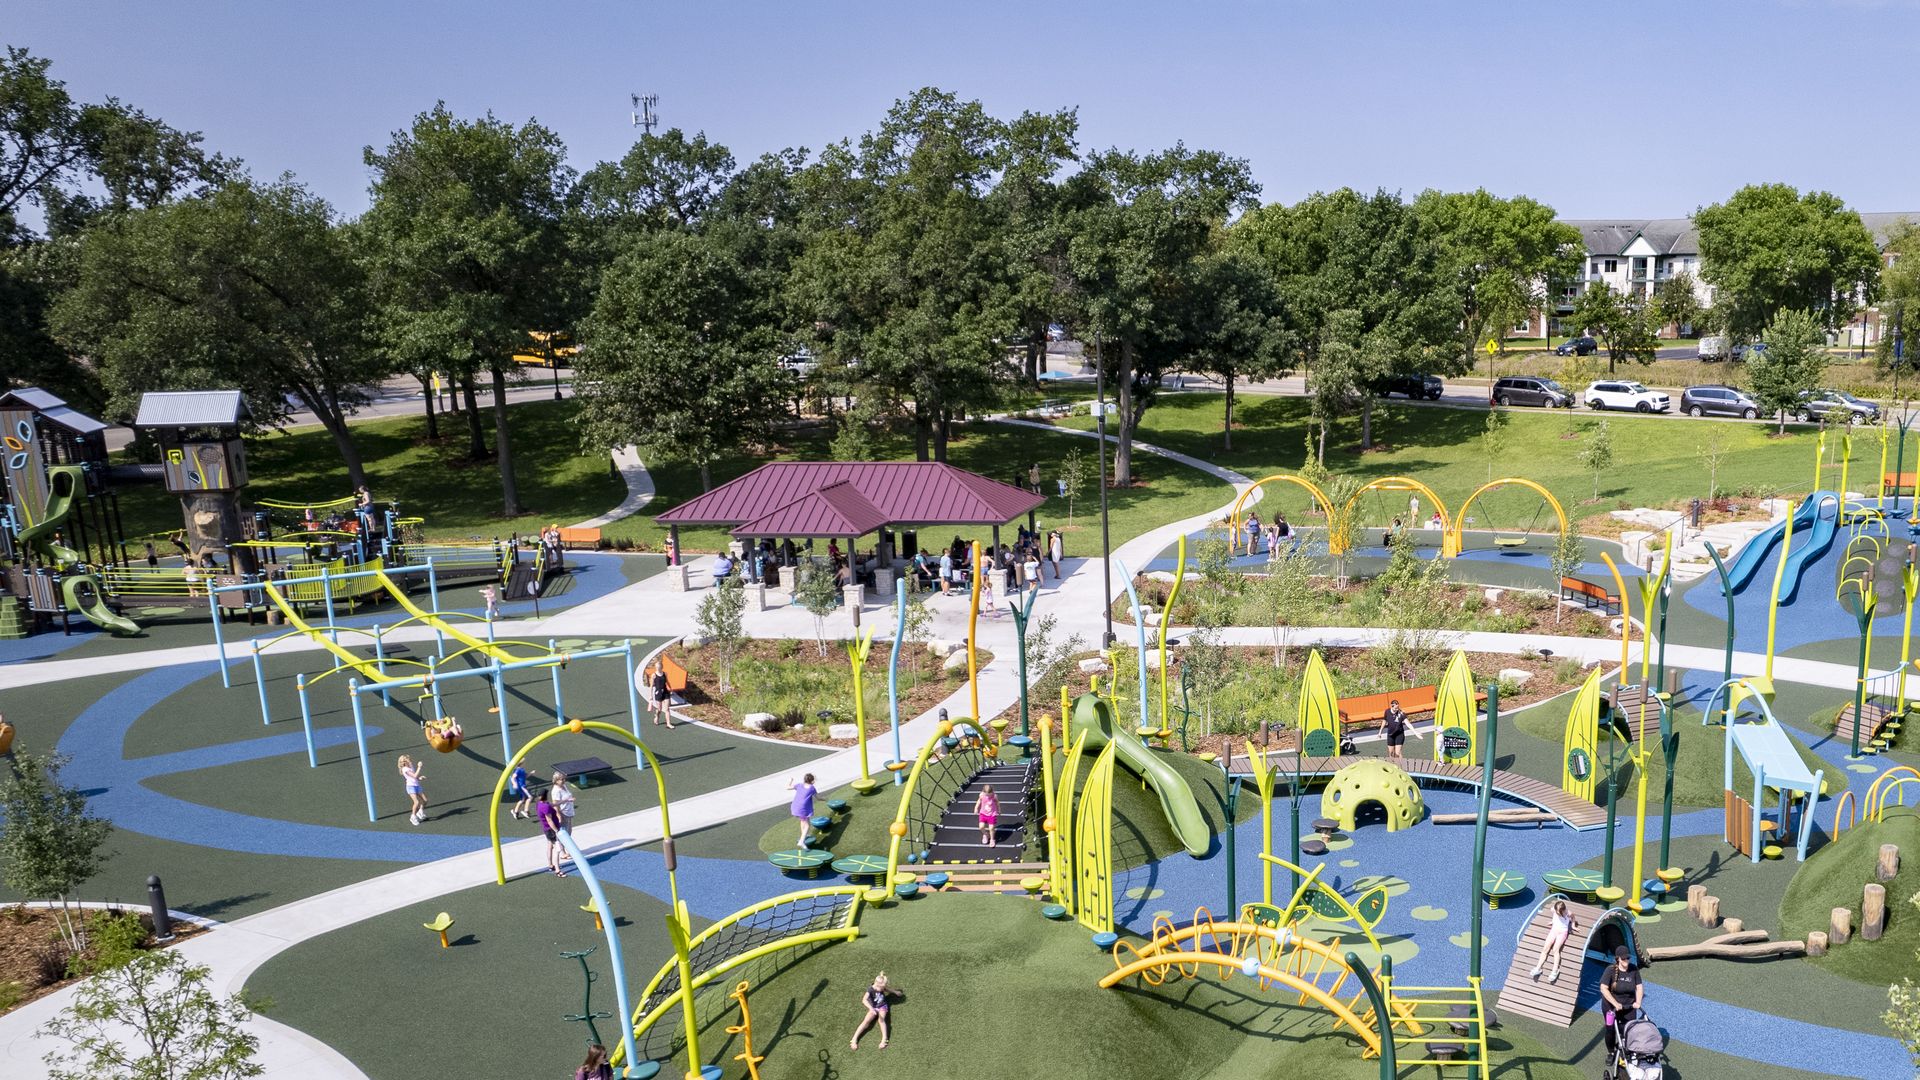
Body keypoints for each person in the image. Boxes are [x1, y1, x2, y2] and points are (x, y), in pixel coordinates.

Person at [1599, 946, 1644, 1053]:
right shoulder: (1610, 970)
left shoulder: (1634, 970)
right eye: (1623, 959)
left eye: (1628, 958)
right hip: (1611, 1008)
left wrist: (1638, 1002)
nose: (1626, 961)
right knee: (1610, 1030)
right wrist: (1615, 1004)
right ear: (1618, 959)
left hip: (1629, 1006)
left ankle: (1626, 1051)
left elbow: (1639, 987)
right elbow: (1603, 989)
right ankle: (1611, 1052)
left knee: (1629, 1030)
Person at [1530, 900, 1578, 984]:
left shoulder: (1568, 913)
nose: (1557, 913)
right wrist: (1553, 921)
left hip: (1562, 932)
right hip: (1554, 930)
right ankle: (1538, 968)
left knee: (1555, 950)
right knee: (1545, 949)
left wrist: (1573, 925)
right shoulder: (1554, 910)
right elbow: (1553, 912)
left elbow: (1573, 918)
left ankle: (1555, 971)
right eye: (1556, 912)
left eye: (1559, 912)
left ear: (1563, 910)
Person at [850, 973, 894, 1051]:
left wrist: (895, 992)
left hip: (882, 1006)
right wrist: (871, 1009)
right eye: (883, 987)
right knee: (866, 1022)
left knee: (881, 1020)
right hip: (873, 1007)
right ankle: (854, 1039)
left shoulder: (882, 987)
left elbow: (887, 989)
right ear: (877, 984)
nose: (884, 989)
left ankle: (884, 1039)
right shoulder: (870, 989)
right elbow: (864, 1000)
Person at [536, 792, 568, 877]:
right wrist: (556, 831)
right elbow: (550, 820)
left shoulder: (540, 803)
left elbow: (553, 804)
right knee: (558, 849)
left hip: (546, 829)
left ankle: (550, 865)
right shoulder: (545, 807)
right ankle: (557, 870)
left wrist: (565, 800)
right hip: (551, 830)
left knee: (549, 846)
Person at [789, 773, 819, 846]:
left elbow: (788, 787)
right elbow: (818, 798)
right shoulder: (812, 788)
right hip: (803, 809)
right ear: (812, 781)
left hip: (795, 806)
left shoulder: (799, 785)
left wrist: (791, 780)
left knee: (803, 821)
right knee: (807, 826)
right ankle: (801, 841)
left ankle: (804, 835)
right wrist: (825, 799)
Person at [398, 755, 427, 825]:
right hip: (411, 787)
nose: (409, 759)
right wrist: (419, 767)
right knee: (416, 802)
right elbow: (414, 776)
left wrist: (419, 778)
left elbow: (414, 776)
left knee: (425, 800)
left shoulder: (410, 766)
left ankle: (420, 812)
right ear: (404, 762)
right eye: (408, 759)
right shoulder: (405, 769)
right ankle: (413, 816)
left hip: (416, 785)